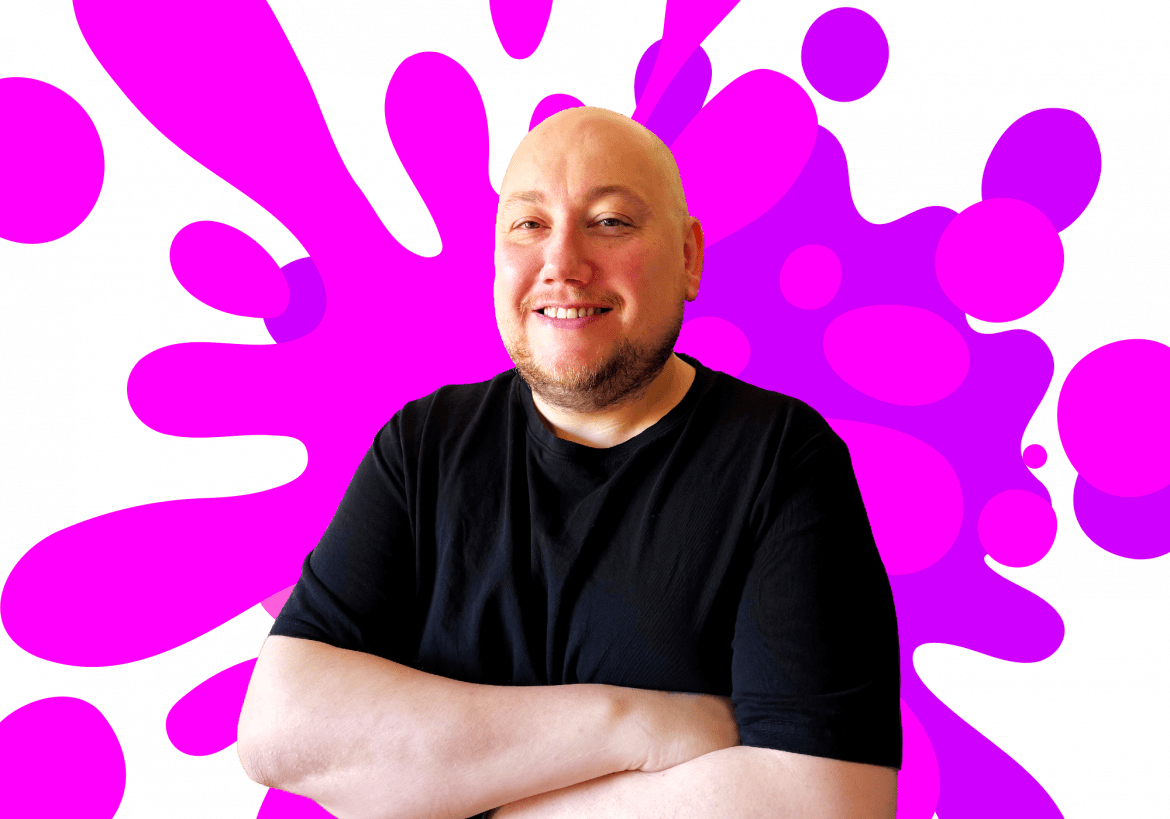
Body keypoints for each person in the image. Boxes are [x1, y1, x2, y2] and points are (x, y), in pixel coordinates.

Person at [236, 105, 901, 819]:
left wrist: (444, 791)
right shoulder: (422, 444)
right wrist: (639, 725)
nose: (562, 264)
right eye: (529, 224)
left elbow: (830, 802)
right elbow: (280, 733)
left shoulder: (783, 458)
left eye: (610, 221)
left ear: (688, 257)